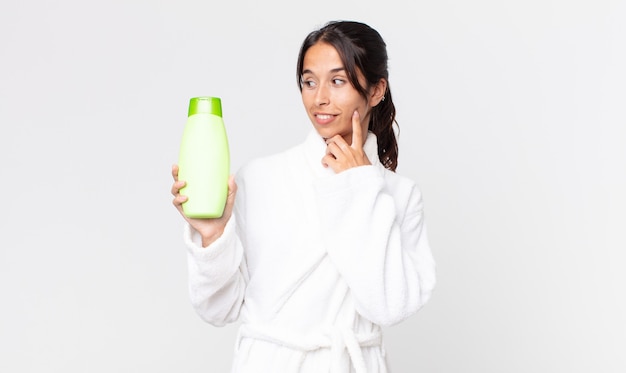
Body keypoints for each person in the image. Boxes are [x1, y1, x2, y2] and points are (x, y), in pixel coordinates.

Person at [171, 20, 436, 373]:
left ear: (376, 90)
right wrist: (213, 236)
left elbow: (389, 306)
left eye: (337, 81)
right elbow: (219, 310)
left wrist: (360, 187)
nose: (319, 98)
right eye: (309, 82)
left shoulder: (399, 196)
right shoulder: (261, 177)